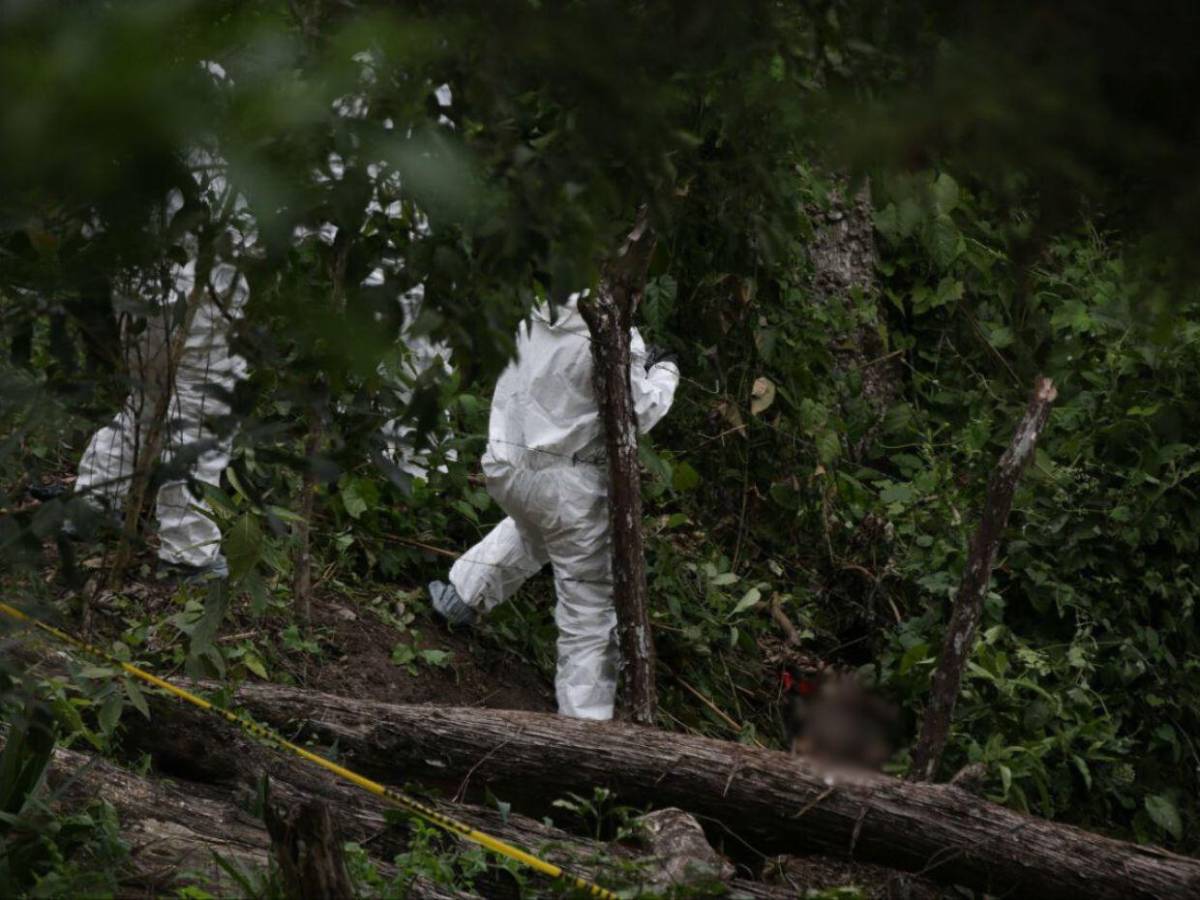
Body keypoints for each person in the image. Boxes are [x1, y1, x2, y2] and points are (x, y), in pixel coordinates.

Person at [429, 291, 680, 720]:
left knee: (532, 529)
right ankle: (586, 724)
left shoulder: (537, 307)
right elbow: (637, 410)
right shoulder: (613, 334)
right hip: (569, 484)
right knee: (588, 606)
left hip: (508, 464)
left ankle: (462, 596)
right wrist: (666, 373)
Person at [70, 138, 254, 580]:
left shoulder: (136, 111)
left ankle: (90, 503)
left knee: (146, 401)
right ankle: (188, 551)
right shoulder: (218, 124)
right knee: (201, 410)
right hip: (202, 283)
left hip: (135, 276)